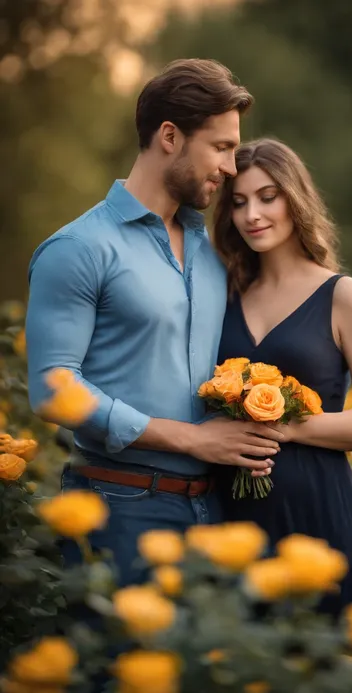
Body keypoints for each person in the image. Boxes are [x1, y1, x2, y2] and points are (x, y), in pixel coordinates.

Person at [25, 60, 282, 588]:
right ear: (170, 136)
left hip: (213, 511)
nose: (231, 167)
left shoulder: (212, 253)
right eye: (221, 147)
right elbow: (52, 391)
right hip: (119, 505)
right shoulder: (78, 249)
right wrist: (191, 440)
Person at [213, 138, 352, 614]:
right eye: (238, 203)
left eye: (267, 196)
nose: (251, 214)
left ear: (295, 198)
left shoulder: (347, 297)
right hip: (231, 516)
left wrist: (279, 425)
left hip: (319, 511)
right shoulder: (224, 296)